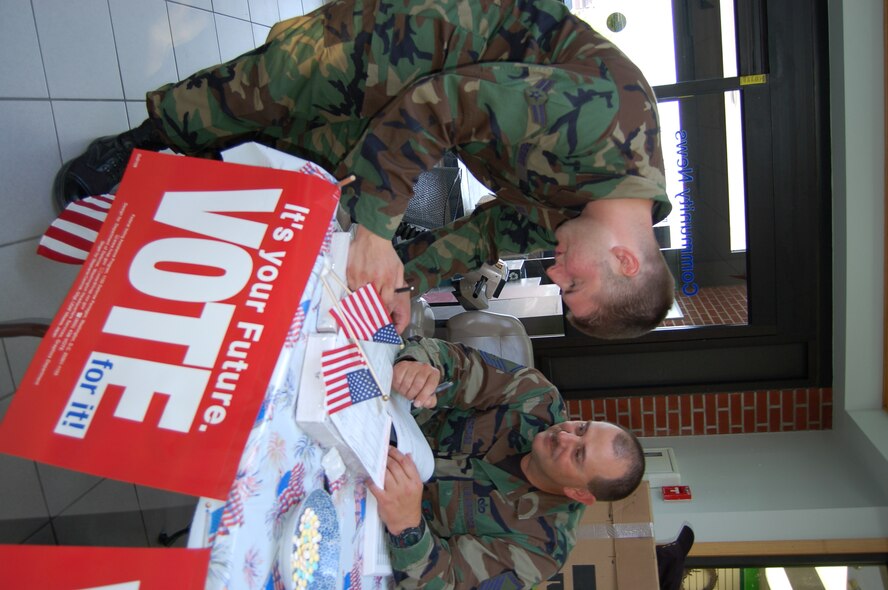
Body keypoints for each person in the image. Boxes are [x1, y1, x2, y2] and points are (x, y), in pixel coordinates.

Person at [53, 0, 674, 339]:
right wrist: (378, 231)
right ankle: (146, 138)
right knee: (280, 82)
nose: (556, 273)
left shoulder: (583, 219)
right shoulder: (609, 125)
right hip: (427, 33)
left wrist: (403, 281)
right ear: (624, 261)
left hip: (436, 102)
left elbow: (487, 236)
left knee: (322, 148)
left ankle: (189, 166)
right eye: (573, 285)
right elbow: (447, 103)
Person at [367, 336, 646, 589]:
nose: (565, 436)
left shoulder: (542, 549)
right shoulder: (536, 398)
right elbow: (454, 362)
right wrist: (419, 367)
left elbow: (447, 582)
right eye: (582, 428)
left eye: (578, 455)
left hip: (372, 526)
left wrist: (407, 526)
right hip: (371, 428)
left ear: (579, 493)